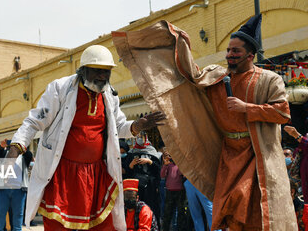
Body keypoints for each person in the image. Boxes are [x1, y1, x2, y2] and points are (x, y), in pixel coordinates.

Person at [112, 15, 296, 230]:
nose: (229, 55)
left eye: (235, 51)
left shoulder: (269, 79)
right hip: (228, 155)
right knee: (232, 210)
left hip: (257, 153)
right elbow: (191, 76)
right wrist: (180, 43)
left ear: (250, 55)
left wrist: (246, 108)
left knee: (259, 209)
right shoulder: (218, 77)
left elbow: (282, 113)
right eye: (228, 50)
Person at [7, 45, 166, 230]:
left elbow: (118, 127)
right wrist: (15, 147)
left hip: (97, 175)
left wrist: (138, 125)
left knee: (104, 225)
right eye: (97, 71)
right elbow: (35, 121)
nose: (102, 76)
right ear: (83, 70)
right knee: (58, 226)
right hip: (63, 174)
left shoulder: (110, 96)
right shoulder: (60, 89)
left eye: (106, 72)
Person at [123, 131, 162, 226]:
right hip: (136, 187)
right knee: (137, 208)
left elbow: (158, 170)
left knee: (151, 207)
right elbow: (127, 172)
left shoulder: (152, 151)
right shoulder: (131, 153)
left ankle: (151, 226)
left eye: (142, 137)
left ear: (146, 138)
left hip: (150, 186)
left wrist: (149, 161)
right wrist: (131, 165)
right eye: (138, 137)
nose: (140, 139)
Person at [160, 150, 186, 231]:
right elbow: (162, 175)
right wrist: (165, 165)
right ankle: (165, 229)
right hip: (169, 191)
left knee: (181, 212)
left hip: (180, 191)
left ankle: (180, 229)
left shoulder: (180, 164)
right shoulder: (168, 165)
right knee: (168, 212)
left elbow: (183, 174)